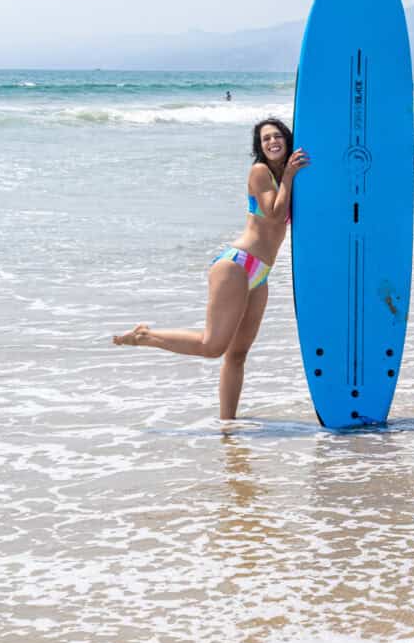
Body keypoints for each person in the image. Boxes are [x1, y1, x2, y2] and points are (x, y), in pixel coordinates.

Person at [112, 118, 308, 419]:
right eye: (266, 138)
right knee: (213, 346)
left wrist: (400, 166)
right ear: (260, 146)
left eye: (277, 136)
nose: (272, 142)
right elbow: (274, 215)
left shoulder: (291, 176)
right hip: (237, 266)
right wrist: (290, 175)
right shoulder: (260, 173)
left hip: (261, 274)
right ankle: (144, 336)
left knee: (238, 353)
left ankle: (227, 423)